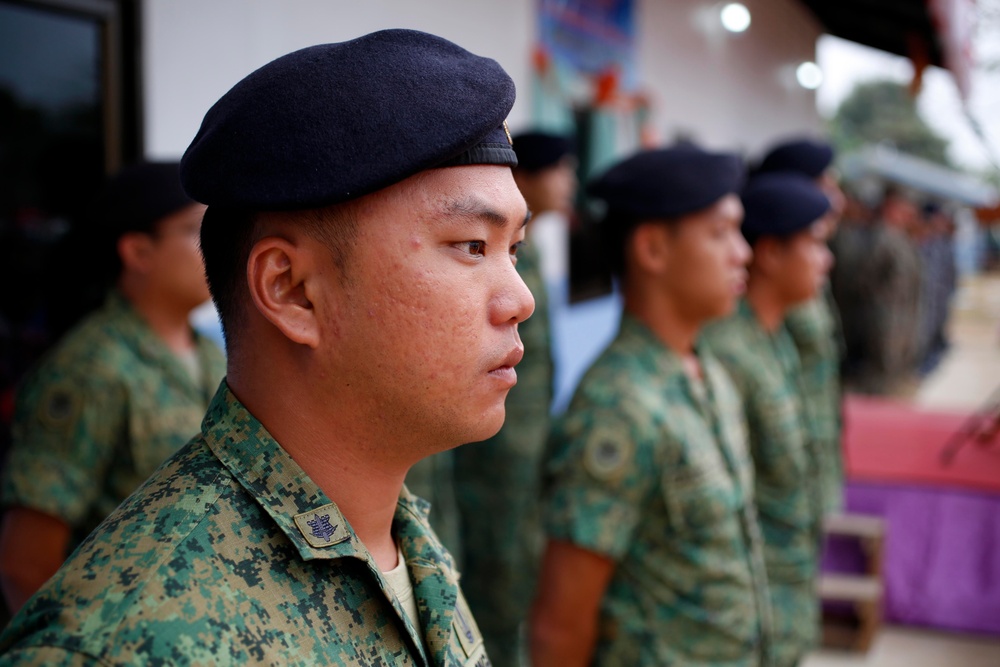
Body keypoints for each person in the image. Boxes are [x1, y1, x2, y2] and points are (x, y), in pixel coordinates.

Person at [0, 29, 533, 666]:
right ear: (293, 291)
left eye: (515, 249)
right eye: (472, 245)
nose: (519, 299)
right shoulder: (129, 643)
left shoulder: (395, 534)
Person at [531, 145, 772, 666]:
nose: (743, 253)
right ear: (654, 250)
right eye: (720, 233)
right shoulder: (616, 405)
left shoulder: (707, 374)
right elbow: (560, 626)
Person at [0, 162, 224, 614]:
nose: (216, 246)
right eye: (195, 231)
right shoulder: (89, 369)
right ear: (139, 252)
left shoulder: (214, 355)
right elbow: (26, 563)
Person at [446, 130, 573, 667]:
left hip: (522, 446)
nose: (568, 183)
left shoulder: (537, 249)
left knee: (516, 575)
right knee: (489, 582)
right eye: (558, 170)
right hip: (488, 460)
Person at [703, 173, 834, 667]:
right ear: (773, 253)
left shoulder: (772, 337)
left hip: (783, 593)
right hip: (747, 612)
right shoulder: (728, 353)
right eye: (816, 243)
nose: (826, 260)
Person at [755, 137, 845, 514]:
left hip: (811, 447)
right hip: (778, 482)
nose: (837, 197)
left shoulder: (805, 267)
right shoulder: (773, 279)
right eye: (826, 183)